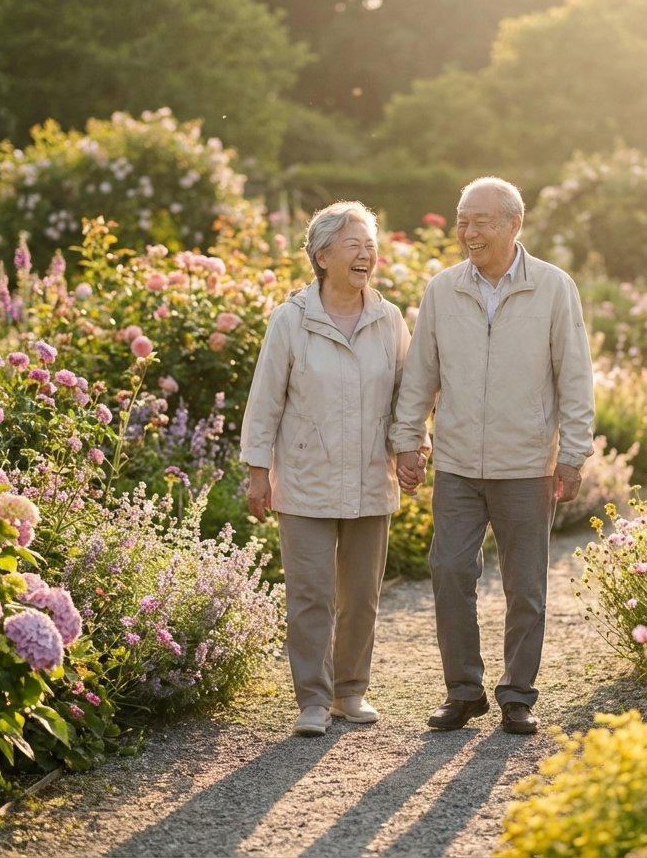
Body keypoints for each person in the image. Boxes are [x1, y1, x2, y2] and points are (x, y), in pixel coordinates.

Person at [390, 176, 594, 735]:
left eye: (481, 220)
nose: (468, 231)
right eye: (462, 219)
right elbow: (421, 375)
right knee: (449, 569)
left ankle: (517, 694)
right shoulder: (442, 289)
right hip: (456, 462)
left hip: (527, 464)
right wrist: (408, 438)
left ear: (513, 225)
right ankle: (463, 691)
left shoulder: (554, 288)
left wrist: (573, 454)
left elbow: (574, 376)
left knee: (524, 585)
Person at [240, 200, 413, 737]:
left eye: (370, 244)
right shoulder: (292, 320)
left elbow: (408, 395)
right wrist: (257, 471)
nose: (367, 253)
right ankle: (312, 699)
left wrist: (413, 448)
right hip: (307, 478)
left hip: (368, 476)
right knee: (310, 593)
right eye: (353, 244)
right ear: (321, 255)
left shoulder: (389, 319)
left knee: (361, 595)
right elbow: (264, 399)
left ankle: (350, 693)